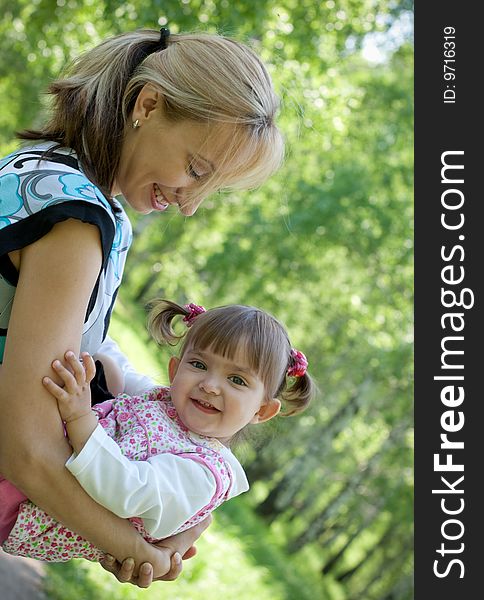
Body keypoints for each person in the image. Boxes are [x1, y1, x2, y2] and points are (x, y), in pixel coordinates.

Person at [0, 26, 283, 587]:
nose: (191, 204)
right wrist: (137, 549)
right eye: (197, 170)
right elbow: (25, 452)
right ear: (147, 105)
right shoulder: (77, 222)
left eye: (212, 188)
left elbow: (75, 343)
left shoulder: (46, 170)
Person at [1, 300, 315, 573]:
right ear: (175, 369)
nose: (210, 384)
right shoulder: (164, 403)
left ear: (262, 411)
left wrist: (80, 417)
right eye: (199, 364)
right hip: (36, 466)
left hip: (32, 508)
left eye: (236, 379)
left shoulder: (204, 472)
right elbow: (119, 364)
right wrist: (81, 313)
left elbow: (128, 490)